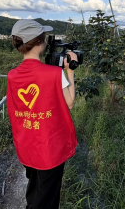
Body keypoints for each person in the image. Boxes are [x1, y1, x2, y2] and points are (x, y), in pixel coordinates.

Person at [6, 20, 78, 209]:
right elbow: (69, 102)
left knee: (35, 187)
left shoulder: (12, 75)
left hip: (27, 143)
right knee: (46, 199)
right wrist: (69, 72)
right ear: (40, 42)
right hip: (49, 147)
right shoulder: (54, 74)